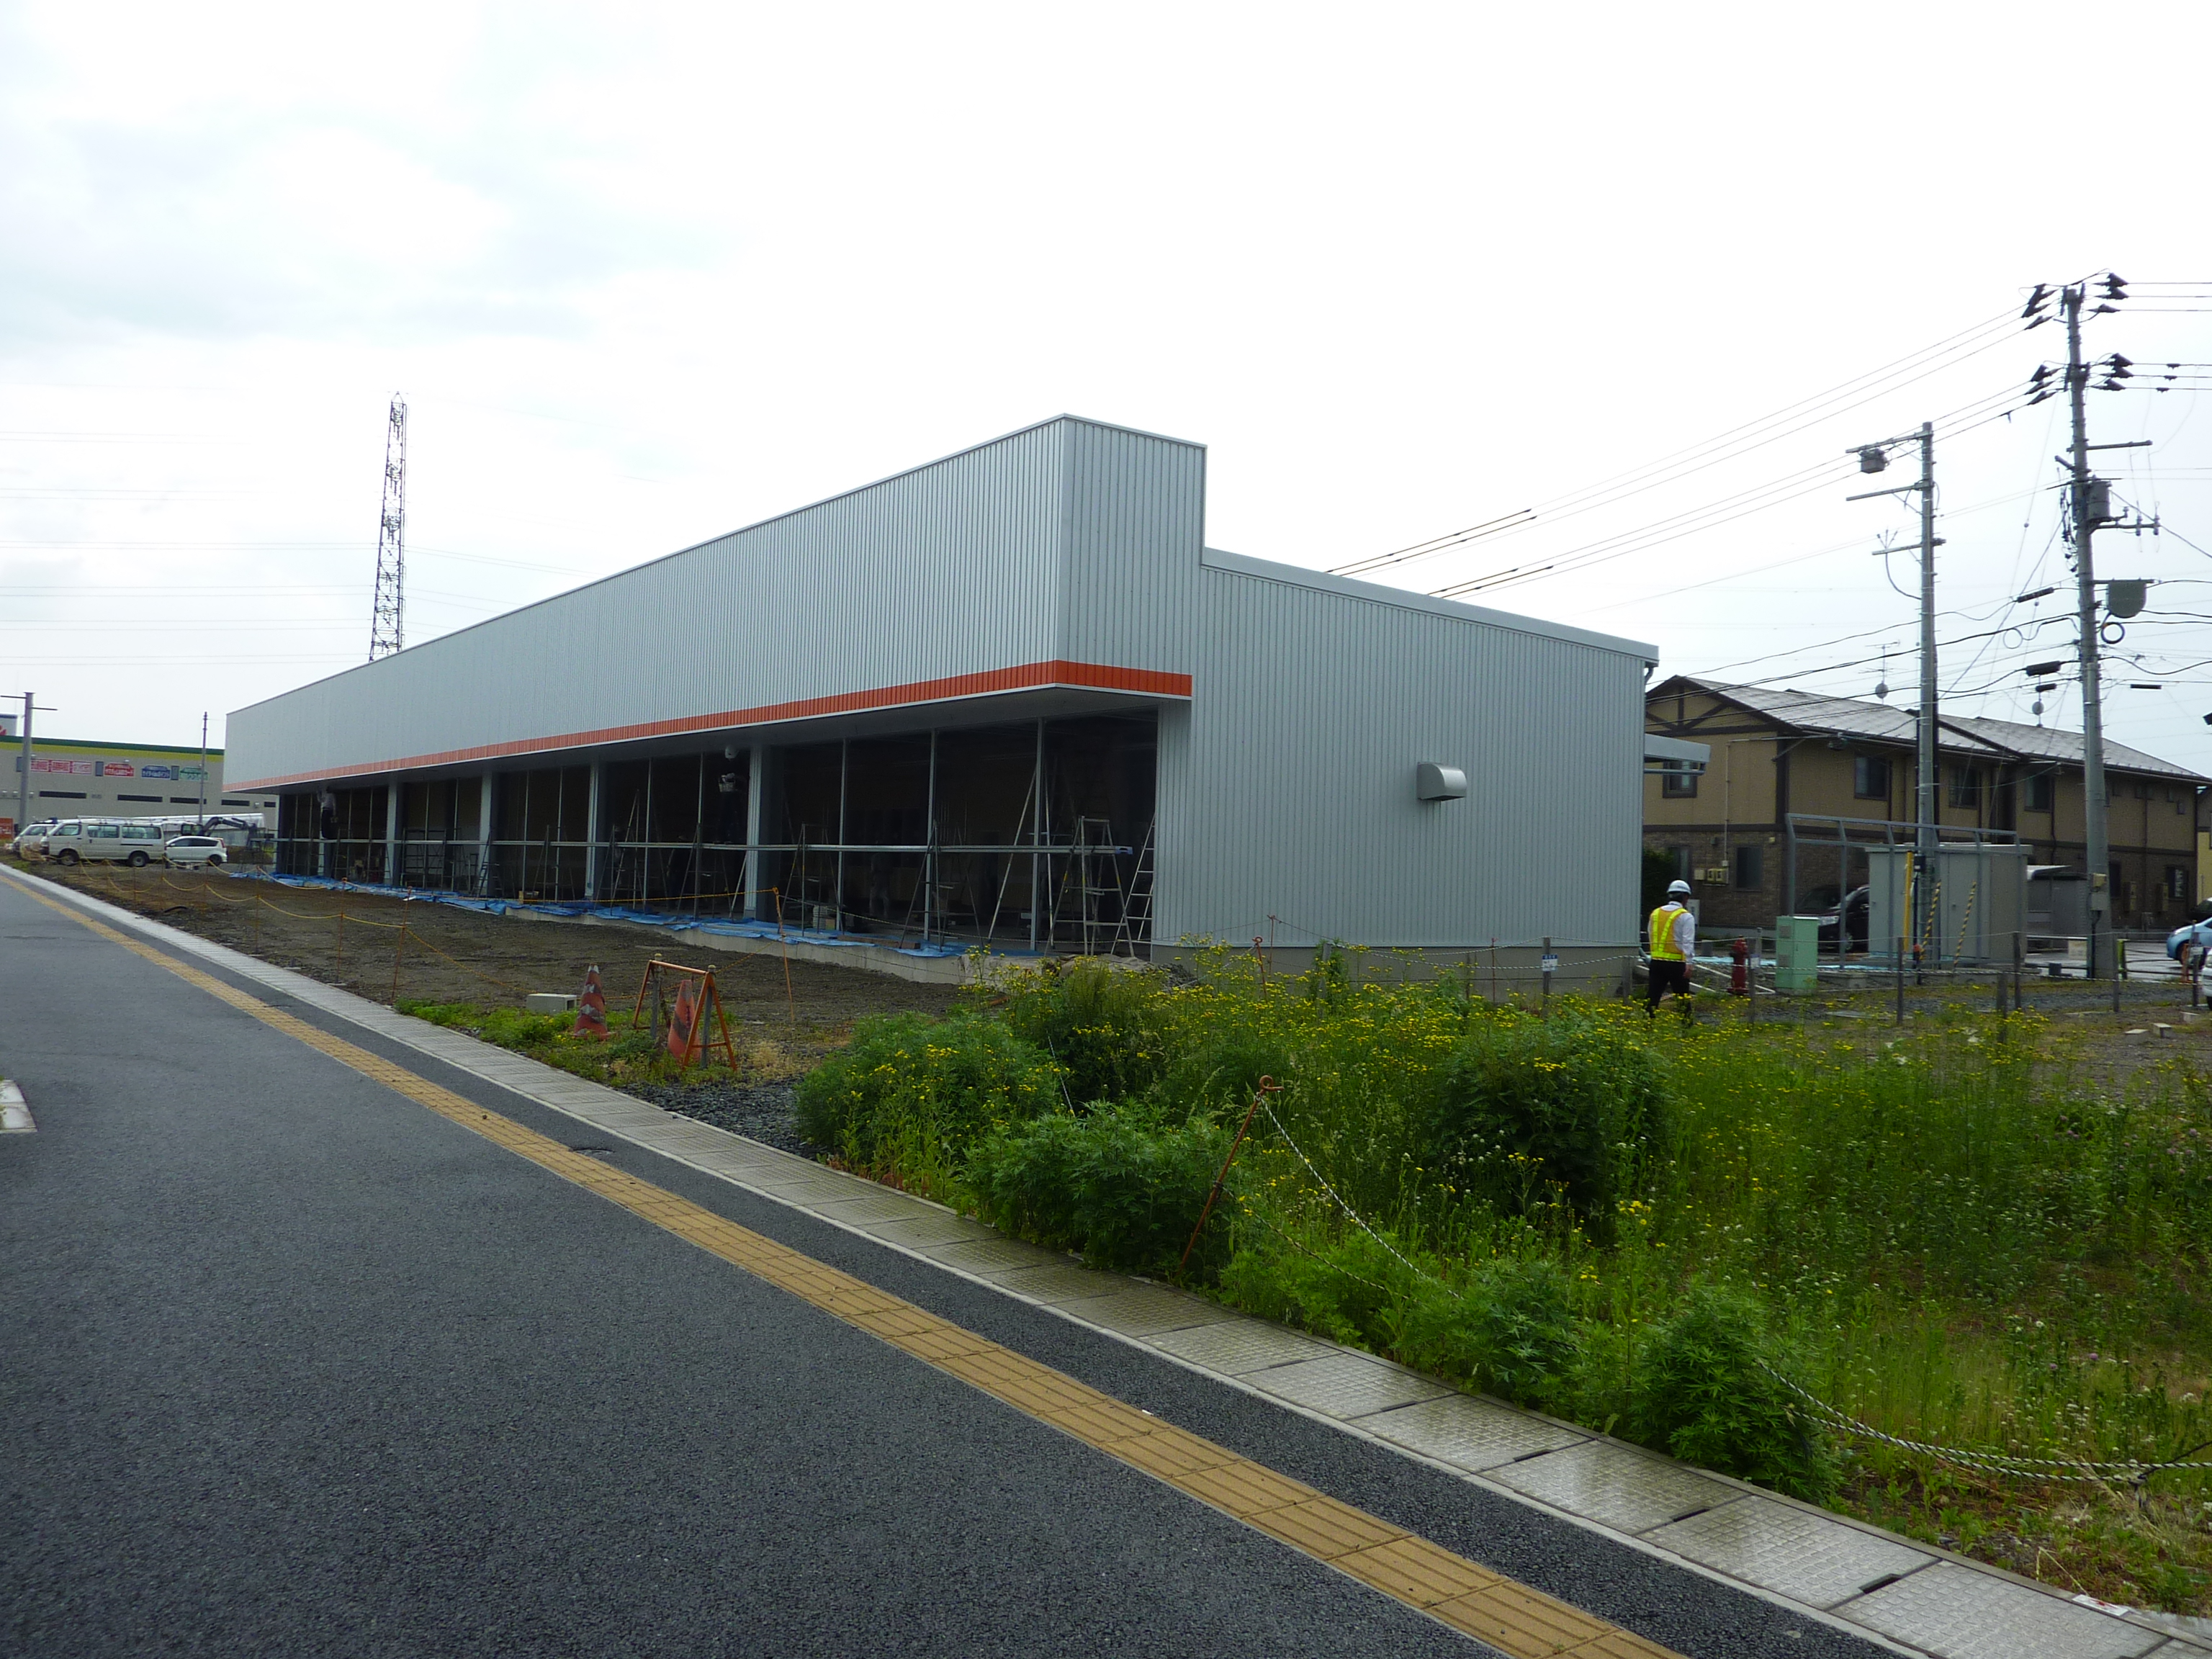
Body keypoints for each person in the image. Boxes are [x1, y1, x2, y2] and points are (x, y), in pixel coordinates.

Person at [1647, 879, 1696, 1013]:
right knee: (1683, 1000)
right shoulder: (1686, 916)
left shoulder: (1655, 913)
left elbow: (1651, 934)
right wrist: (1689, 963)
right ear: (1685, 897)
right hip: (1676, 964)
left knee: (1652, 997)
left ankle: (1646, 1023)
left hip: (1656, 962)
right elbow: (1688, 941)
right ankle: (1686, 1025)